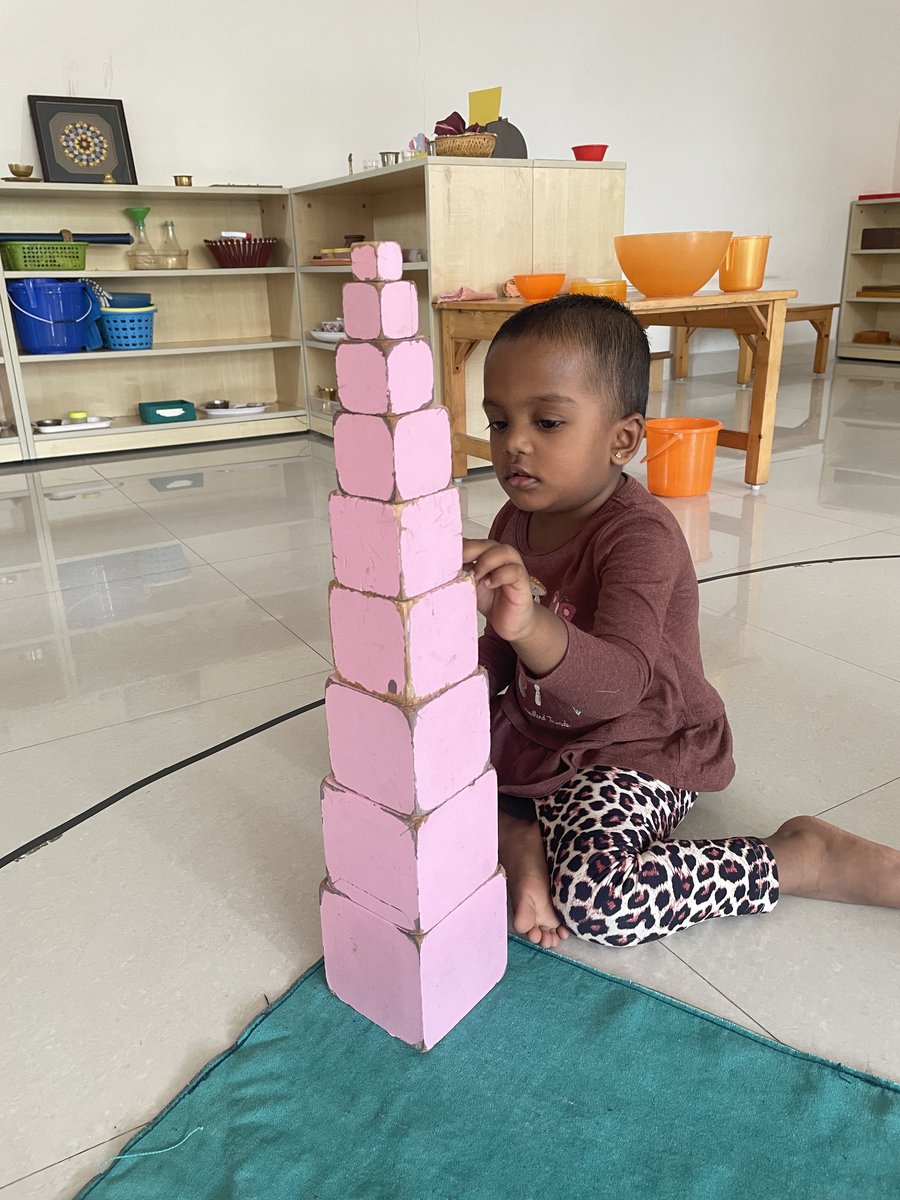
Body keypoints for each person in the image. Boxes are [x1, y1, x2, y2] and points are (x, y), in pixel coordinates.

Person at [462, 295, 900, 950]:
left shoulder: (640, 537)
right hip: (540, 731)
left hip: (636, 742)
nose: (514, 443)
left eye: (547, 421)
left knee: (599, 898)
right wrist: (452, 686)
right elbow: (497, 652)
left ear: (623, 439)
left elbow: (618, 687)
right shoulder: (512, 521)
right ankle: (519, 833)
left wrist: (526, 625)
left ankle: (801, 858)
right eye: (499, 423)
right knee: (410, 773)